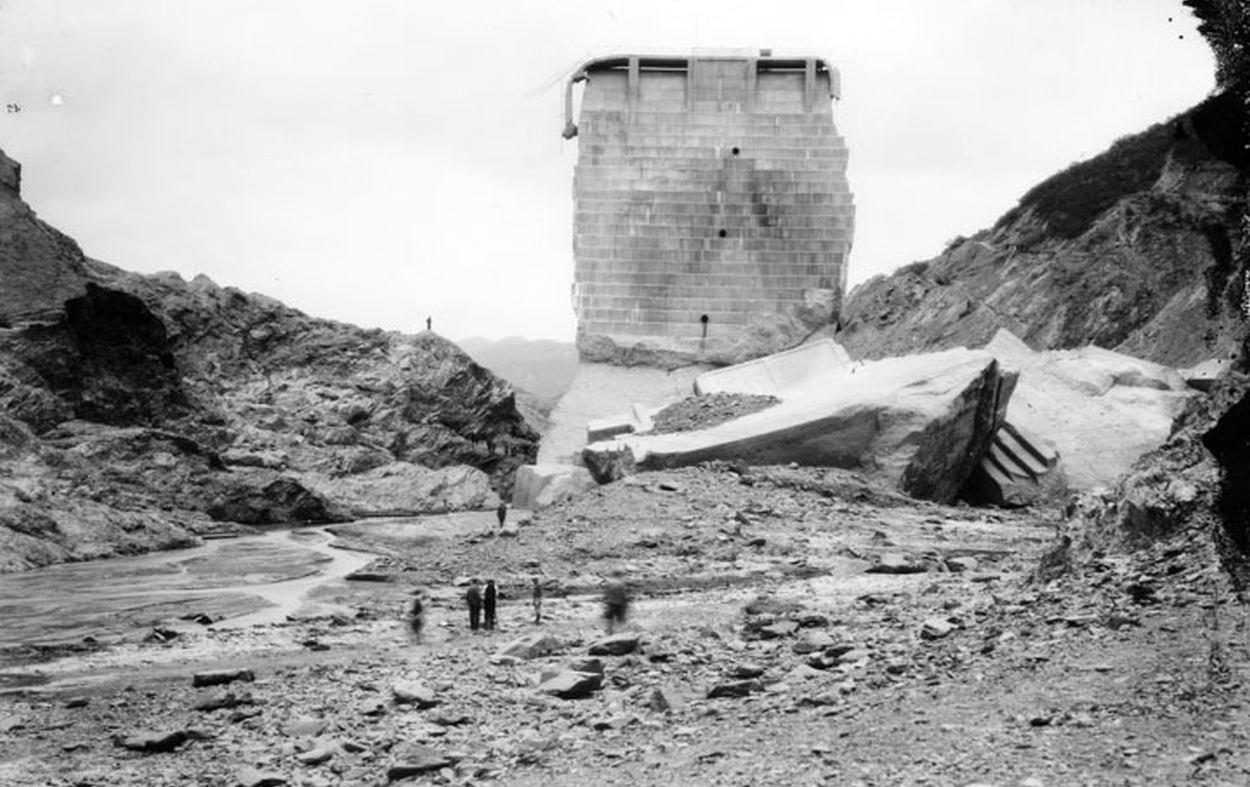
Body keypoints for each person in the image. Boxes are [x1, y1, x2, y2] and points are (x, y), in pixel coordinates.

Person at [602, 569, 629, 634]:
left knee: (609, 618)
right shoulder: (621, 583)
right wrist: (625, 604)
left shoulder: (609, 582)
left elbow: (606, 593)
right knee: (620, 618)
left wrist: (605, 601)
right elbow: (623, 594)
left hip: (610, 602)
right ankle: (622, 631)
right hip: (619, 603)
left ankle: (609, 631)